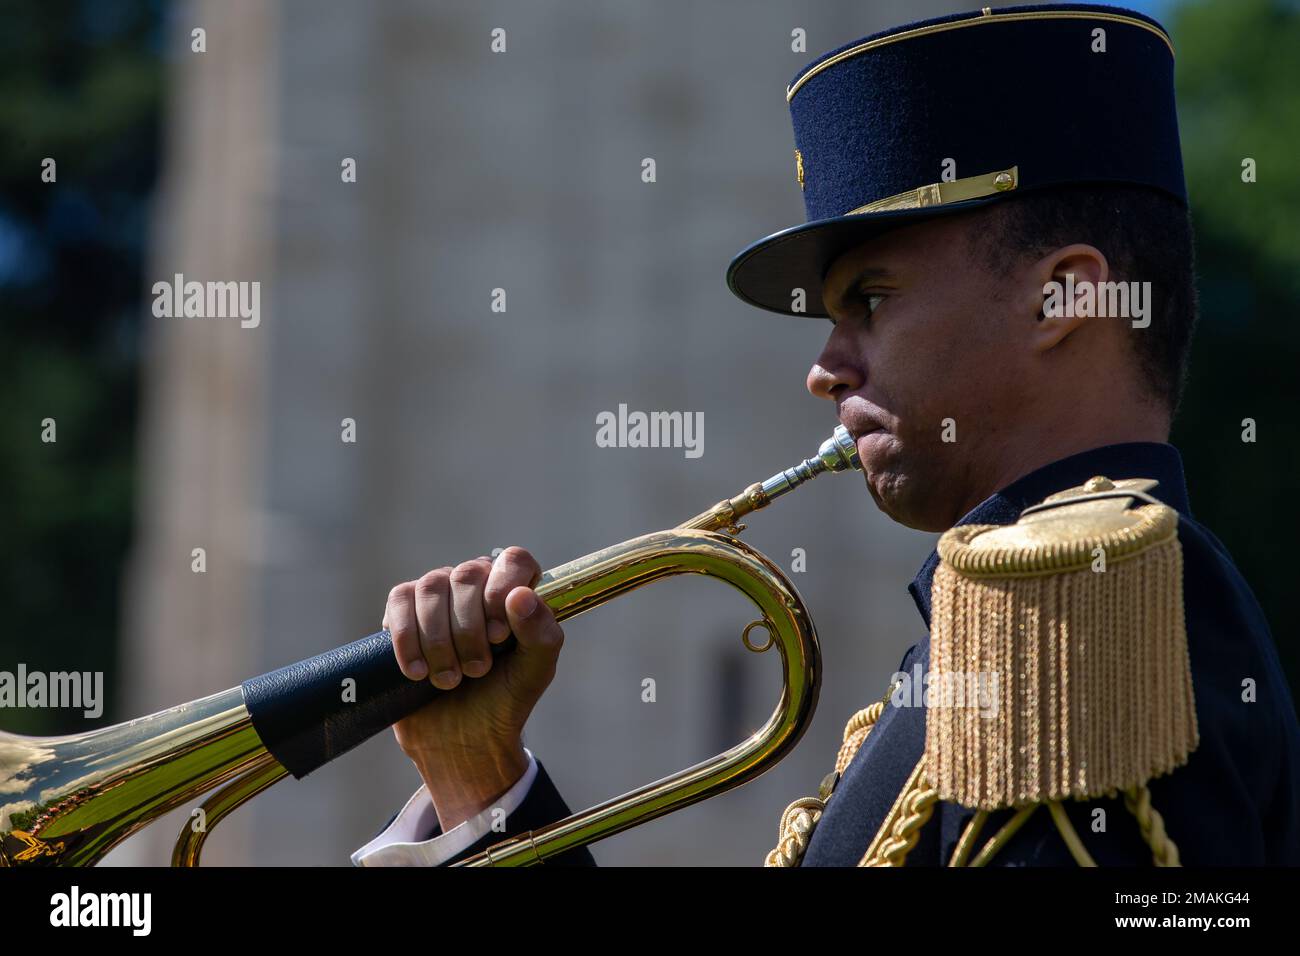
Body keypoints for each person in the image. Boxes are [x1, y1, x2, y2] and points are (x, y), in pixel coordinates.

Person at [351, 4, 1300, 867]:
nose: (824, 367)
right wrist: (477, 779)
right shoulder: (1024, 612)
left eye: (872, 299)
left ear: (1065, 296)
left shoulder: (1073, 595)